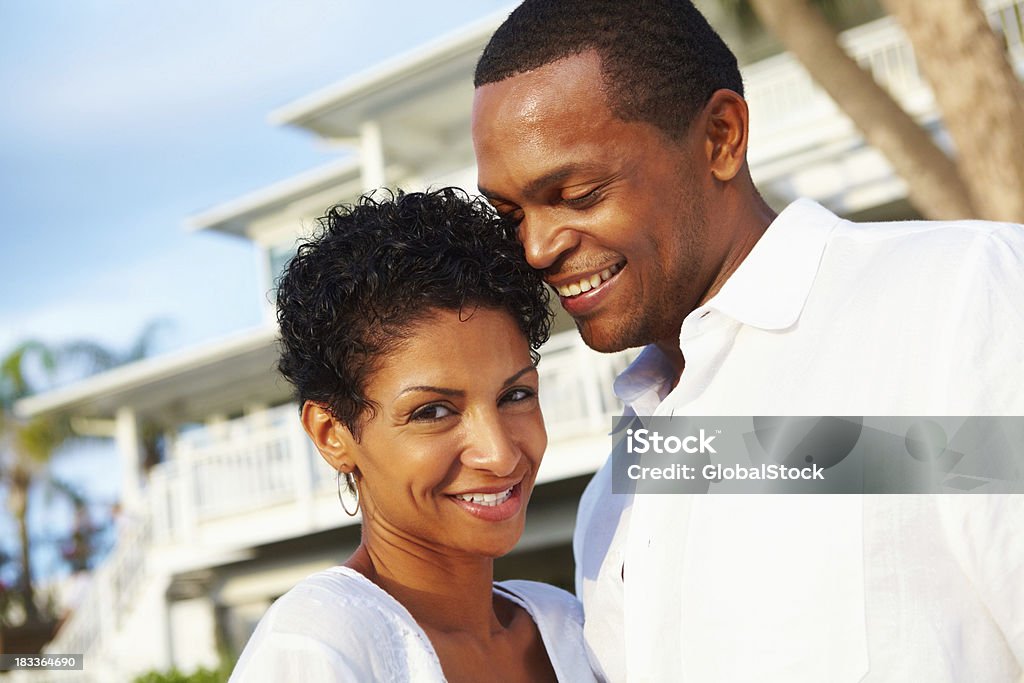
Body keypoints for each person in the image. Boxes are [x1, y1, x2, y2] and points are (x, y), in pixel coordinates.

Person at [471, 1, 1024, 681]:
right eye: (511, 214)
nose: (536, 246)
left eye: (578, 193)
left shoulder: (963, 298)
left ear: (721, 138)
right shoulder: (610, 501)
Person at [229, 188, 595, 682]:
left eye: (515, 396)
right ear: (332, 433)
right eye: (433, 411)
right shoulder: (319, 644)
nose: (500, 453)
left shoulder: (570, 626)